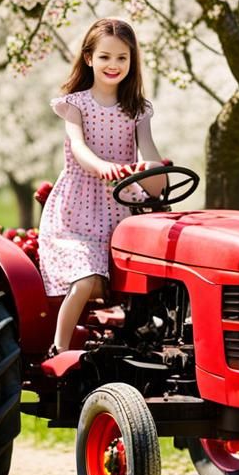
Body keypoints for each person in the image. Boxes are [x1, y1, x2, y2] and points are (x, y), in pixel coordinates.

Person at [38, 18, 167, 356]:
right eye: (106, 57)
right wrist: (102, 167)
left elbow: (148, 151)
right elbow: (79, 148)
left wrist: (154, 171)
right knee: (85, 280)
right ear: (89, 58)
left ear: (132, 61)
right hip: (78, 209)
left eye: (122, 58)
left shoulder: (137, 109)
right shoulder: (76, 105)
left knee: (135, 282)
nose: (114, 65)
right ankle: (60, 348)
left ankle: (145, 340)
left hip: (119, 205)